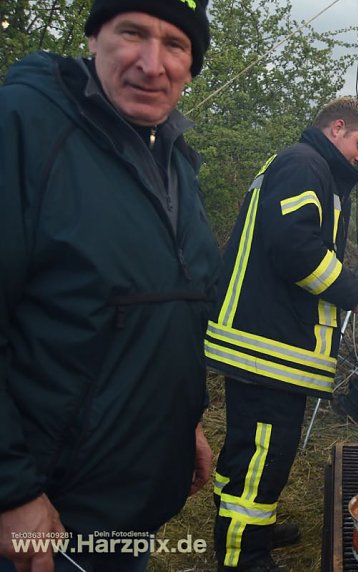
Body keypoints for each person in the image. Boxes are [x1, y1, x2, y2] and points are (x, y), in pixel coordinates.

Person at [0, 0, 220, 571]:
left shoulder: (175, 161)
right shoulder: (24, 125)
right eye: (132, 33)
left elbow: (165, 313)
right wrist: (12, 493)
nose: (153, 64)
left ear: (192, 65)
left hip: (132, 505)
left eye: (176, 45)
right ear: (95, 37)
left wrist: (184, 423)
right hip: (45, 516)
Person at [206, 97, 358, 571]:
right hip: (267, 345)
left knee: (248, 447)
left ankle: (245, 525)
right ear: (337, 128)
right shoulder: (304, 164)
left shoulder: (304, 166)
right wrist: (351, 290)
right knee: (265, 453)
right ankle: (244, 556)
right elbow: (295, 248)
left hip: (265, 340)